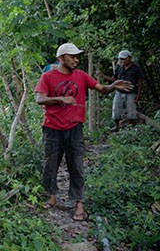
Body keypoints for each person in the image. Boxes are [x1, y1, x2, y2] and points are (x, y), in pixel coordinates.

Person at [34, 43, 133, 221]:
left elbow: (102, 89)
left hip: (75, 128)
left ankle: (79, 203)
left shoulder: (80, 75)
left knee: (77, 165)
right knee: (51, 163)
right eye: (72, 56)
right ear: (60, 58)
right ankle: (52, 197)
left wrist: (113, 85)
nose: (76, 60)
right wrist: (59, 99)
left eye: (77, 56)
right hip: (52, 128)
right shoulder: (48, 76)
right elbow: (39, 98)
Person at [98, 50, 145, 131]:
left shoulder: (136, 69)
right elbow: (114, 79)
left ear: (130, 58)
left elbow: (140, 83)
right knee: (116, 110)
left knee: (131, 112)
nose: (122, 61)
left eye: (124, 59)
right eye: (121, 59)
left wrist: (138, 94)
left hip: (131, 93)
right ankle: (117, 126)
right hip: (119, 92)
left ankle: (130, 128)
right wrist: (103, 76)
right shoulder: (119, 68)